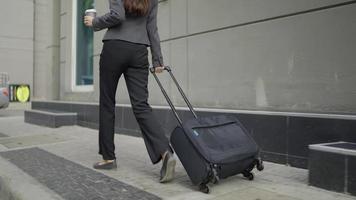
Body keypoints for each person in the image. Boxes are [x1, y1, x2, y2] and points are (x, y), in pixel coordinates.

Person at [84, 0, 176, 183]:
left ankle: (108, 158)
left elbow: (117, 16)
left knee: (107, 103)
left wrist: (94, 23)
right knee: (141, 105)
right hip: (139, 51)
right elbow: (152, 28)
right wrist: (157, 60)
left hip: (115, 48)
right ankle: (165, 151)